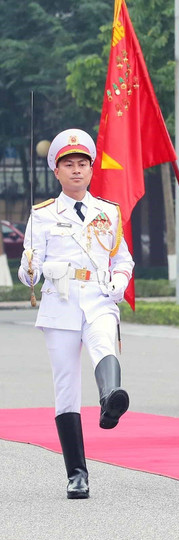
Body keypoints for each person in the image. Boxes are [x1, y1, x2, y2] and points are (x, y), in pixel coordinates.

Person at [18, 128, 134, 499]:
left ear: (91, 167)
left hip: (99, 296)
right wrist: (30, 268)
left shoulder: (108, 212)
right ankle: (77, 473)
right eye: (68, 164)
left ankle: (110, 400)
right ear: (57, 171)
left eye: (83, 163)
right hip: (61, 301)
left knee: (105, 345)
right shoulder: (43, 215)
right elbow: (28, 273)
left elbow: (122, 257)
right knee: (66, 386)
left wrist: (119, 278)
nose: (77, 170)